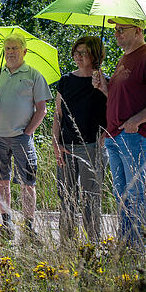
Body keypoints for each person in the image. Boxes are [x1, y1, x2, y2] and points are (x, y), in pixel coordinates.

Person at [93, 20, 146, 248]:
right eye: (115, 30)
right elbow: (120, 97)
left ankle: (140, 247)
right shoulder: (125, 58)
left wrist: (136, 120)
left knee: (136, 193)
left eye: (121, 30)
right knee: (122, 195)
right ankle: (126, 244)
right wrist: (103, 86)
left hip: (137, 136)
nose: (116, 34)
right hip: (115, 134)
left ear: (138, 31)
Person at [0, 34, 52, 238]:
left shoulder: (33, 75)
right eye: (7, 49)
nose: (11, 52)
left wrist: (28, 132)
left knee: (27, 183)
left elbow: (42, 109)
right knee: (0, 182)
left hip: (22, 137)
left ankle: (29, 228)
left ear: (24, 51)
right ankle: (7, 226)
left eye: (15, 48)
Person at [51, 37, 107, 242]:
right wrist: (55, 142)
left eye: (83, 52)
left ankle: (93, 244)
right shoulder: (65, 81)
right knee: (66, 197)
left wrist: (105, 136)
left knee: (92, 200)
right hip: (66, 146)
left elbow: (115, 113)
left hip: (92, 147)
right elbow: (58, 114)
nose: (78, 56)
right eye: (76, 52)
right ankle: (66, 244)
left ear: (95, 55)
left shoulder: (104, 82)